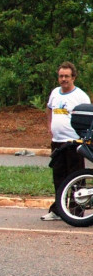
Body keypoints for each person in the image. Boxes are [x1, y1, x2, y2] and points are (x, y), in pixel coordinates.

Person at [43, 61, 91, 221]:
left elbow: (88, 118)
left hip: (74, 143)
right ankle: (57, 210)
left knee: (76, 178)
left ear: (73, 77)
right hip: (57, 142)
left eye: (67, 76)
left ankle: (76, 213)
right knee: (59, 177)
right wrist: (49, 126)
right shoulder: (55, 93)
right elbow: (49, 109)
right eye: (61, 76)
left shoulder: (80, 96)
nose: (64, 79)